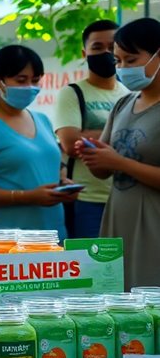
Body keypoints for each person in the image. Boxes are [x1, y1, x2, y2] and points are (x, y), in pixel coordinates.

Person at [77, 17, 160, 288]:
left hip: (152, 225)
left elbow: (118, 162)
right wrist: (93, 155)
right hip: (118, 219)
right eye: (118, 61)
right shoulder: (124, 103)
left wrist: (119, 161)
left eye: (131, 60)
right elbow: (103, 171)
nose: (122, 68)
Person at [0, 45, 77, 241]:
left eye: (35, 81)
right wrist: (27, 196)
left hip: (52, 235)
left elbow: (43, 170)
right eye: (21, 80)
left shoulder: (42, 120)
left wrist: (62, 186)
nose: (29, 88)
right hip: (6, 240)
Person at [55, 20, 129, 239]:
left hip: (124, 198)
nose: (106, 52)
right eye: (97, 47)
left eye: (112, 45)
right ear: (84, 52)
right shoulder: (72, 93)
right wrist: (122, 136)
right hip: (86, 200)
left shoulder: (129, 94)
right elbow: (70, 143)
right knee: (91, 269)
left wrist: (91, 136)